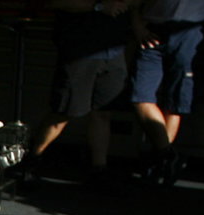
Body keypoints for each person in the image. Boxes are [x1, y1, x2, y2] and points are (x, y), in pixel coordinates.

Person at [20, 0, 132, 191]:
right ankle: (31, 159)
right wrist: (99, 7)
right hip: (80, 48)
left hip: (113, 49)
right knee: (65, 111)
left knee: (103, 112)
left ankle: (99, 169)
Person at [129, 0, 204, 185]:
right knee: (140, 95)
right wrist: (138, 28)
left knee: (175, 100)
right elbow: (133, 4)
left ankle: (162, 162)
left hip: (192, 29)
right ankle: (167, 156)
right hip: (152, 29)